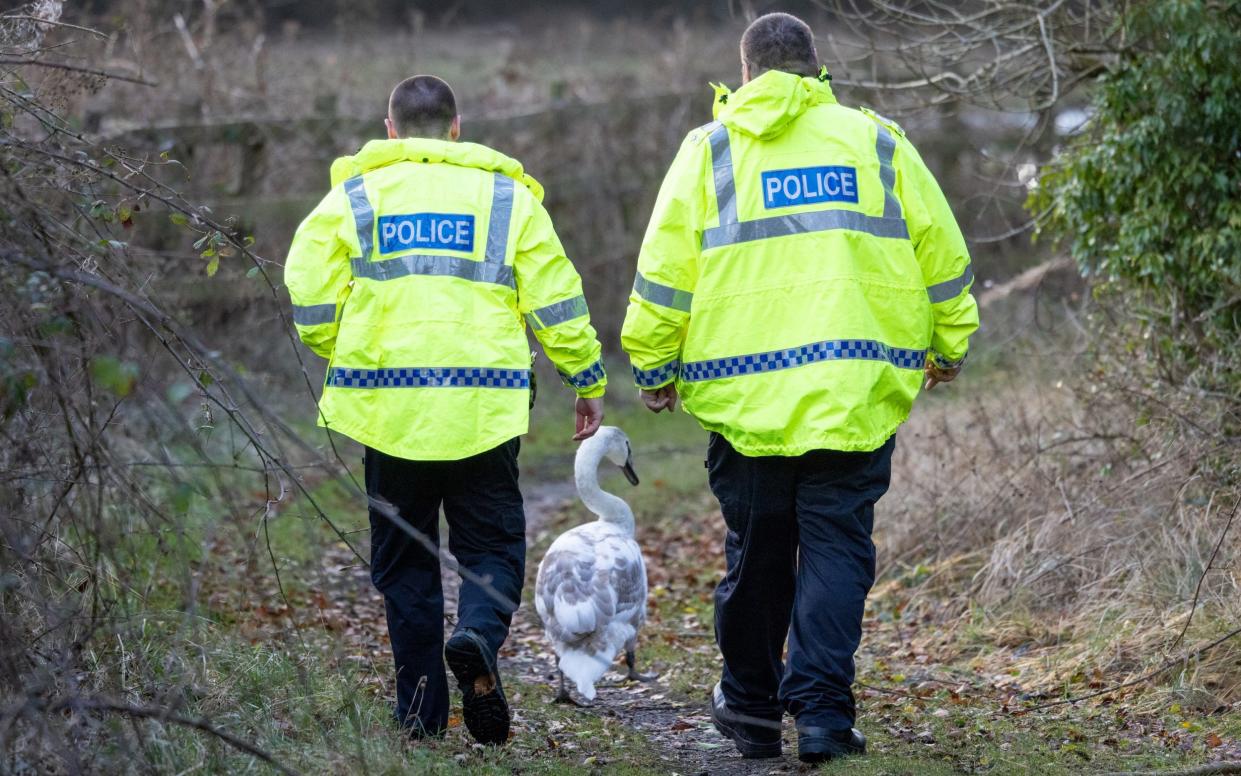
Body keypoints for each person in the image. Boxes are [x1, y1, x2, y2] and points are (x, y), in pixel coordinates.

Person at [621, 12, 978, 764]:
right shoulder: (877, 143)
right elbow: (941, 255)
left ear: (744, 74)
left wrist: (653, 367)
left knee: (755, 554)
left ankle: (750, 709)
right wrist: (947, 347)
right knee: (836, 554)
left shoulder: (707, 151)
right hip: (851, 396)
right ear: (818, 72)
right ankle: (821, 716)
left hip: (742, 404)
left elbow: (662, 274)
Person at [285, 75, 607, 744]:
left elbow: (308, 287)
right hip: (483, 407)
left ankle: (420, 716)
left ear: (390, 129)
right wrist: (585, 376)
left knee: (404, 563)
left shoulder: (354, 195)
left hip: (389, 410)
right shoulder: (507, 198)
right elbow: (556, 296)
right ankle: (478, 637)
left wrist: (339, 343)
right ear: (456, 128)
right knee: (490, 546)